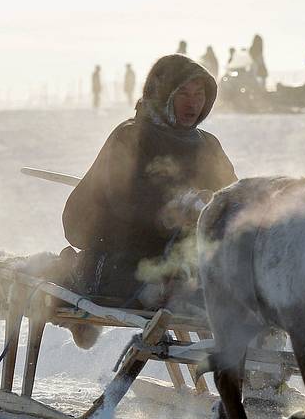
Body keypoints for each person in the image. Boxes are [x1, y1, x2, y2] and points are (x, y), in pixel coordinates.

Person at [62, 54, 236, 307]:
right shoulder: (131, 135)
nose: (193, 103)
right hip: (119, 247)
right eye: (183, 94)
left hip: (177, 254)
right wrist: (180, 206)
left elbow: (229, 192)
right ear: (164, 94)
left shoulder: (207, 144)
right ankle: (70, 269)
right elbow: (127, 196)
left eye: (199, 94)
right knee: (152, 283)